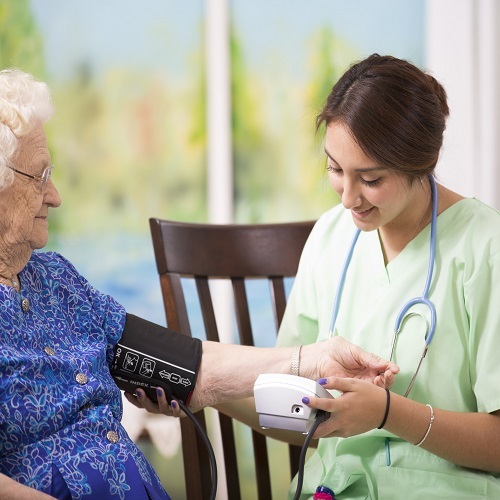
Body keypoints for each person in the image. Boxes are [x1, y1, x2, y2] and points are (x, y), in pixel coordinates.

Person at [0, 68, 398, 500]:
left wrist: (312, 360)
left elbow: (186, 365)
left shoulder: (57, 281)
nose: (55, 195)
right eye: (38, 176)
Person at [216, 54, 500, 499]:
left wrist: (389, 413)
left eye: (370, 178)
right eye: (334, 169)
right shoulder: (331, 235)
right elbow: (293, 411)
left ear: (420, 162)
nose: (349, 199)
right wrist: (200, 388)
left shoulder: (486, 247)